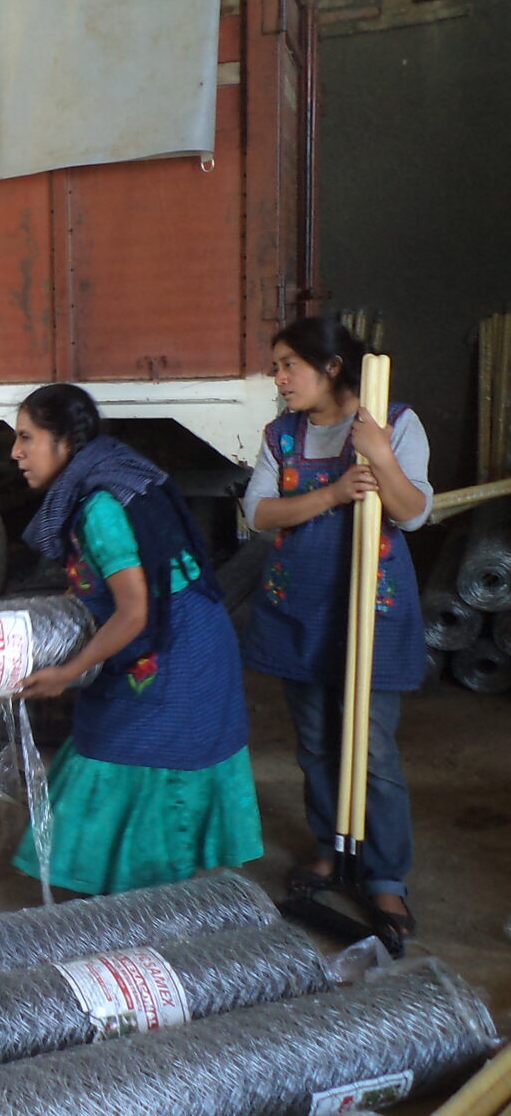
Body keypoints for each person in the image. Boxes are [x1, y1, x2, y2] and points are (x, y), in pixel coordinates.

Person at [9, 383, 263, 895]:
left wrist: (67, 671)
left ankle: (146, 909)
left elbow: (134, 610)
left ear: (64, 443)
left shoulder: (100, 506)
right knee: (111, 744)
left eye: (25, 438)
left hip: (175, 653)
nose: (15, 453)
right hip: (190, 635)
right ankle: (140, 901)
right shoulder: (115, 471)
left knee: (125, 750)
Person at [240, 316, 430, 942]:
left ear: (331, 367)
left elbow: (412, 513)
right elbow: (261, 513)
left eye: (288, 364)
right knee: (318, 739)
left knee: (370, 748)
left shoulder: (393, 424)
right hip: (300, 610)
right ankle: (332, 845)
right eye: (276, 367)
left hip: (370, 611)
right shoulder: (281, 435)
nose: (279, 378)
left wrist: (377, 456)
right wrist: (335, 493)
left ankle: (384, 877)